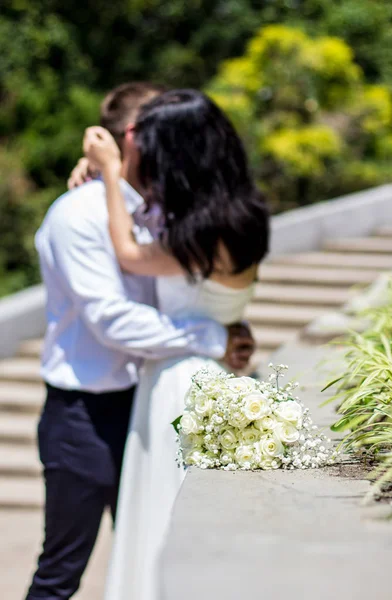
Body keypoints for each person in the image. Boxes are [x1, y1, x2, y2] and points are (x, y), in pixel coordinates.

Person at [25, 83, 254, 600]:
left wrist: (226, 317)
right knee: (62, 572)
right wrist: (214, 335)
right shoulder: (78, 215)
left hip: (150, 400)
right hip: (84, 417)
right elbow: (114, 321)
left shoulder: (167, 211)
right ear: (134, 139)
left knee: (155, 552)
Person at [82, 89, 270, 600]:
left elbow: (128, 254)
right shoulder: (240, 214)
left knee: (166, 519)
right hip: (216, 372)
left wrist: (111, 175)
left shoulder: (211, 232)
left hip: (184, 386)